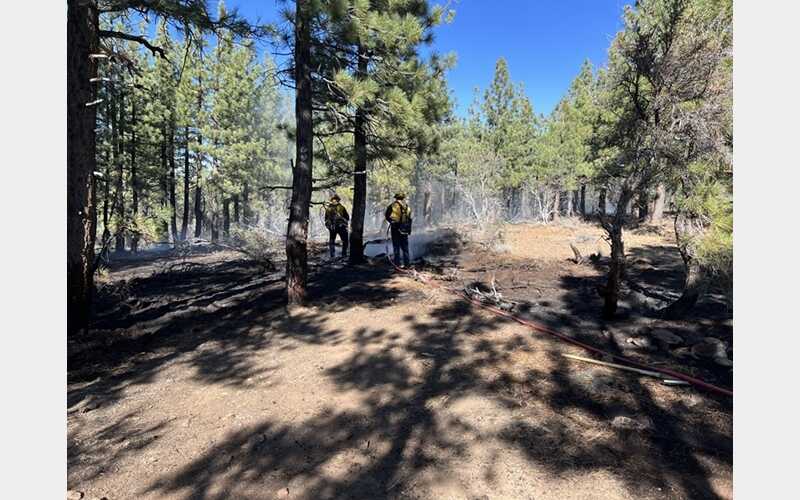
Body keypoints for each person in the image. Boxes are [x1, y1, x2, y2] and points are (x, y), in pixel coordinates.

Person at [384, 192, 412, 268]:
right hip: (404, 229)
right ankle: (407, 264)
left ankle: (397, 264)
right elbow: (409, 218)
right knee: (405, 248)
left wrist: (391, 222)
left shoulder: (392, 206)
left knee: (396, 247)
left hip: (395, 228)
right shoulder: (407, 207)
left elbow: (387, 215)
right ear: (403, 198)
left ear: (396, 198)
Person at [324, 194, 349, 259]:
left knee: (333, 241)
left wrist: (329, 226)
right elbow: (347, 217)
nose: (334, 200)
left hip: (335, 227)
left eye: (335, 199)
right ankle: (343, 254)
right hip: (339, 227)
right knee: (344, 241)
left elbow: (326, 220)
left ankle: (333, 255)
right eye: (334, 199)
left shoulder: (328, 209)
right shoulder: (342, 207)